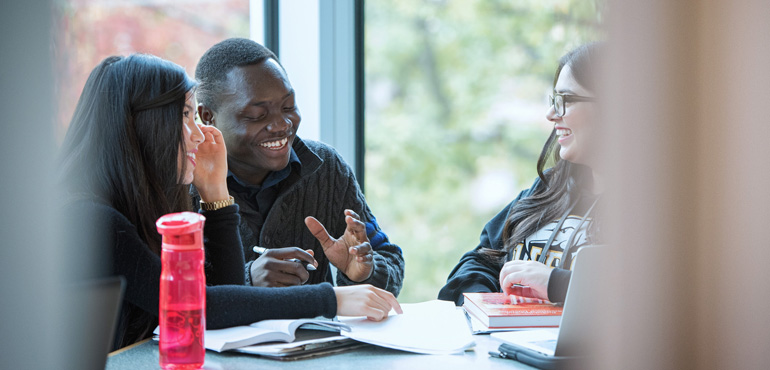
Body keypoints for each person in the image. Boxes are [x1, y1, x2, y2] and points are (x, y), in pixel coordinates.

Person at [58, 54, 401, 349]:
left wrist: (217, 196)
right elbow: (195, 308)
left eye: (288, 107)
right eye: (184, 116)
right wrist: (331, 299)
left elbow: (218, 308)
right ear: (145, 126)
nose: (196, 135)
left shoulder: (152, 206)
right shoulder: (89, 218)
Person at [193, 38, 404, 294]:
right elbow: (160, 300)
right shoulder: (181, 183)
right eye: (257, 115)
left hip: (316, 335)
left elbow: (390, 260)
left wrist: (365, 271)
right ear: (207, 117)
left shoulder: (326, 168)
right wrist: (248, 279)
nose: (281, 124)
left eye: (288, 106)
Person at [438, 43, 603, 306]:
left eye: (567, 100)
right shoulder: (549, 188)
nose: (551, 114)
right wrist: (487, 302)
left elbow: (657, 297)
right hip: (509, 346)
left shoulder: (659, 210)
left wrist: (555, 284)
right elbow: (479, 260)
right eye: (554, 100)